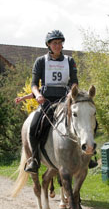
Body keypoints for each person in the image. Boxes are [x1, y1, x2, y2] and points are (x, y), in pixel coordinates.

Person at [24, 30, 80, 173]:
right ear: (48, 45)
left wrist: (70, 93)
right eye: (54, 43)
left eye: (60, 43)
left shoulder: (70, 60)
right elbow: (34, 84)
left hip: (66, 99)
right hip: (47, 99)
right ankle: (34, 160)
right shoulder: (41, 61)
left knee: (85, 119)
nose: (58, 45)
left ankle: (88, 155)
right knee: (34, 126)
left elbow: (74, 81)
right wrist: (37, 95)